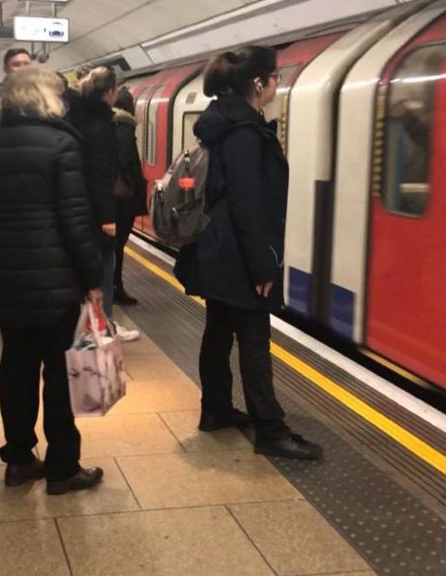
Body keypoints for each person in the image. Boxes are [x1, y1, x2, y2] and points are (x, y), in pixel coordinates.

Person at [176, 46, 322, 461]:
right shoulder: (244, 132)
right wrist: (263, 264)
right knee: (255, 340)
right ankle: (271, 430)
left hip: (217, 249)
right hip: (238, 254)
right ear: (258, 83)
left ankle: (216, 409)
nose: (278, 84)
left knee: (219, 331)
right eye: (275, 77)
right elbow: (246, 203)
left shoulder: (224, 122)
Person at [0, 67, 105, 495]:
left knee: (16, 369)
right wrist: (93, 278)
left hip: (8, 278)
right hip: (57, 283)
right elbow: (75, 222)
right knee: (59, 375)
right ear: (48, 100)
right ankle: (63, 467)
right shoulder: (62, 145)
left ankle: (18, 460)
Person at [66, 67, 139, 342]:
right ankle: (102, 326)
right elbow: (100, 173)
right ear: (110, 92)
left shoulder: (77, 117)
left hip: (80, 208)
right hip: (97, 213)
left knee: (91, 271)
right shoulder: (102, 125)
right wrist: (108, 217)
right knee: (103, 270)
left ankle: (95, 325)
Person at [111, 87, 148, 305]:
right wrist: (135, 186)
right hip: (121, 199)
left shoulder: (109, 122)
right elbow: (126, 160)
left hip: (113, 198)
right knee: (117, 246)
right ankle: (116, 288)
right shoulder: (124, 125)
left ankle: (115, 287)